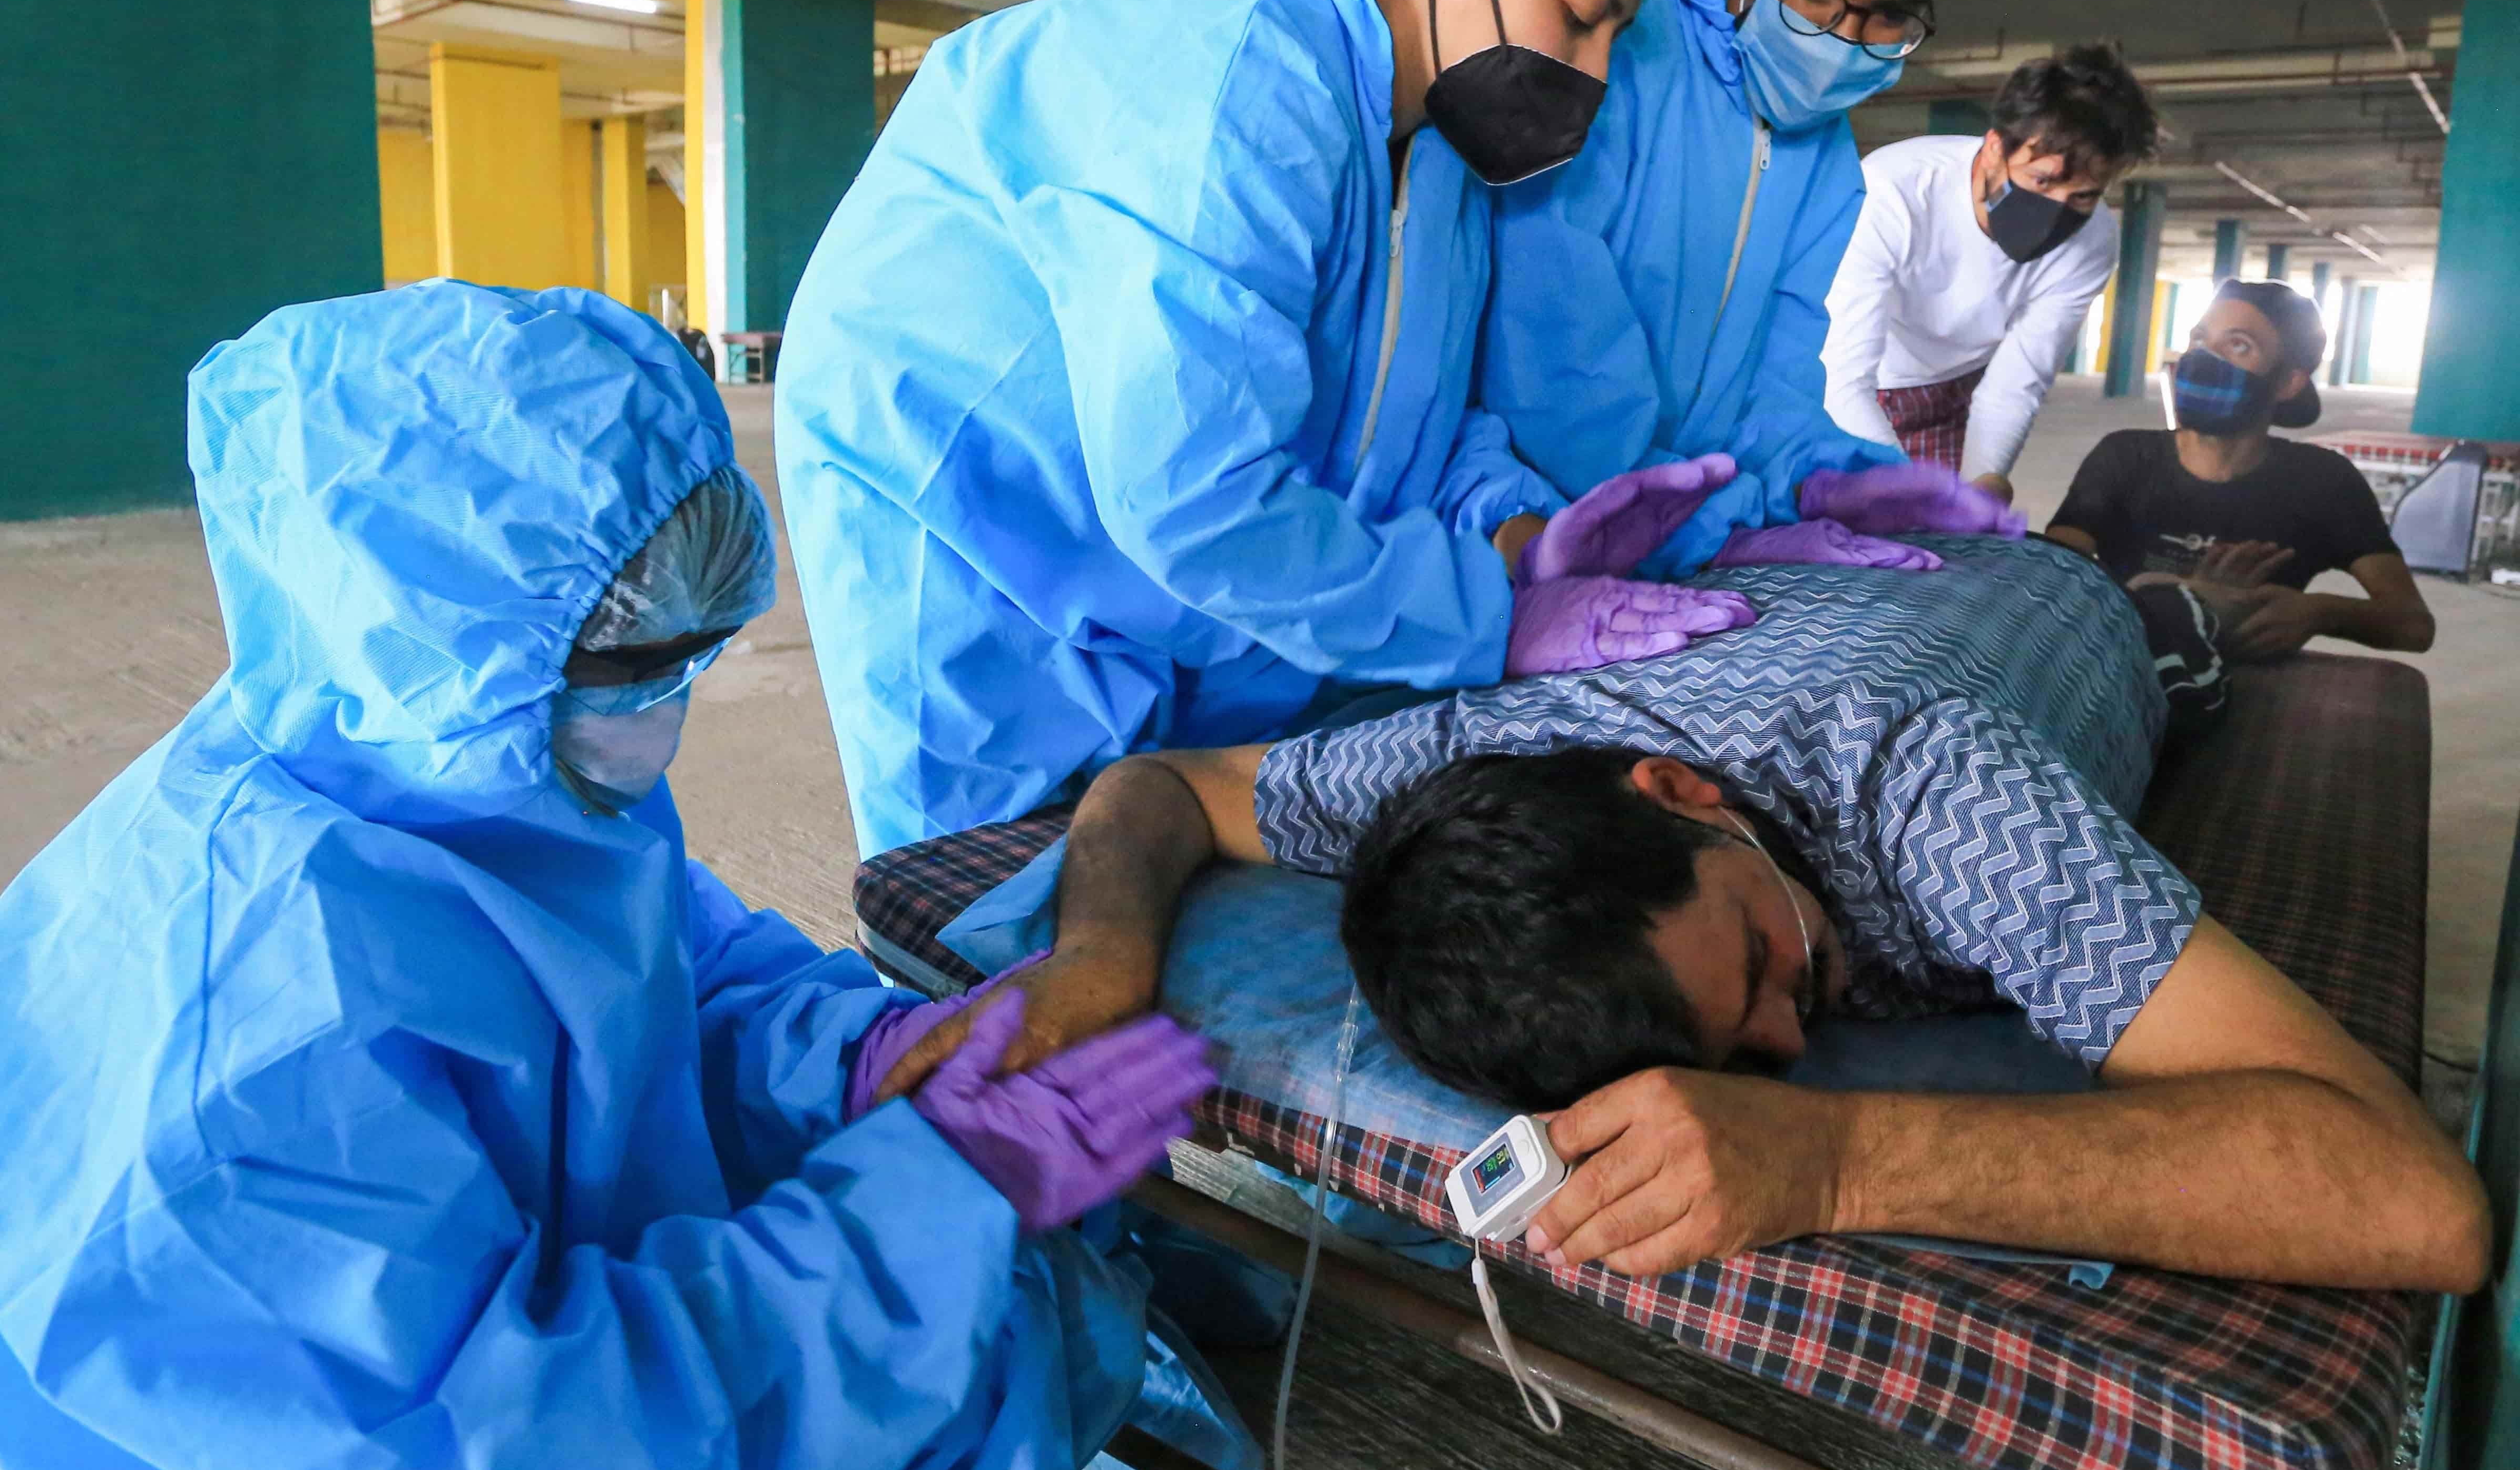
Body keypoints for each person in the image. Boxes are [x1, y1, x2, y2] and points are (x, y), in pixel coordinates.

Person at [0, 281, 1220, 1470]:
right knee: (958, 1319)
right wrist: (927, 1203)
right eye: (634, 661)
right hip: (312, 1429)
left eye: (689, 657)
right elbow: (533, 1441)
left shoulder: (456, 761)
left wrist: (854, 1052)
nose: (660, 708)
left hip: (458, 1327)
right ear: (451, 639)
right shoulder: (265, 1046)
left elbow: (656, 979)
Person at [877, 535, 2485, 1295]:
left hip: (2031, 616)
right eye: (1758, 1049)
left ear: (1683, 793)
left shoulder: (1945, 801)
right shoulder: (1464, 762)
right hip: (1826, 603)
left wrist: (1841, 1156)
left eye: (1765, 963)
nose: (1803, 1026)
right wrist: (1099, 958)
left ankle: (2189, 598)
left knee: (2181, 616)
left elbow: (2412, 1198)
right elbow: (1159, 788)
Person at [779, 0, 1774, 860]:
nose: (1590, 73)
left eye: (1615, 38)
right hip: (987, 535)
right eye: (1579, 17)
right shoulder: (1237, 69)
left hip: (1183, 570)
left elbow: (1403, 415)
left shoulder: (1430, 146)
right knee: (1003, 921)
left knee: (1197, 851)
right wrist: (1487, 618)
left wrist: (1520, 533)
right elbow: (1197, 493)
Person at [1481, 0, 2022, 579]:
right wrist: (1704, 518)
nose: (1843, 40)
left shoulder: (1826, 154)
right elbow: (1550, 338)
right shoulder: (1624, 42)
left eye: (1889, 17)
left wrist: (1823, 474)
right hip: (1519, 520)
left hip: (1668, 529)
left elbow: (1776, 378)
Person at [1820, 43, 2161, 501]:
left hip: (1953, 392)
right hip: (1851, 384)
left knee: (1943, 551)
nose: (2058, 210)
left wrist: (1984, 483)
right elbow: (1842, 380)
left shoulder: (2093, 243)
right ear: (1995, 149)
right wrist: (1906, 492)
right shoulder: (1892, 191)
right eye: (2042, 181)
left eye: (2083, 196)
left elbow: (2013, 387)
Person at [2046, 278, 2435, 659]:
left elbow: (2414, 625)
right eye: (2199, 340)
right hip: (2120, 674)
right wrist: (2186, 598)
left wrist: (2320, 612)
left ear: (2287, 382)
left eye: (2238, 345)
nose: (2203, 357)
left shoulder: (2322, 483)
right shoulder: (2124, 457)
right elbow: (2048, 582)